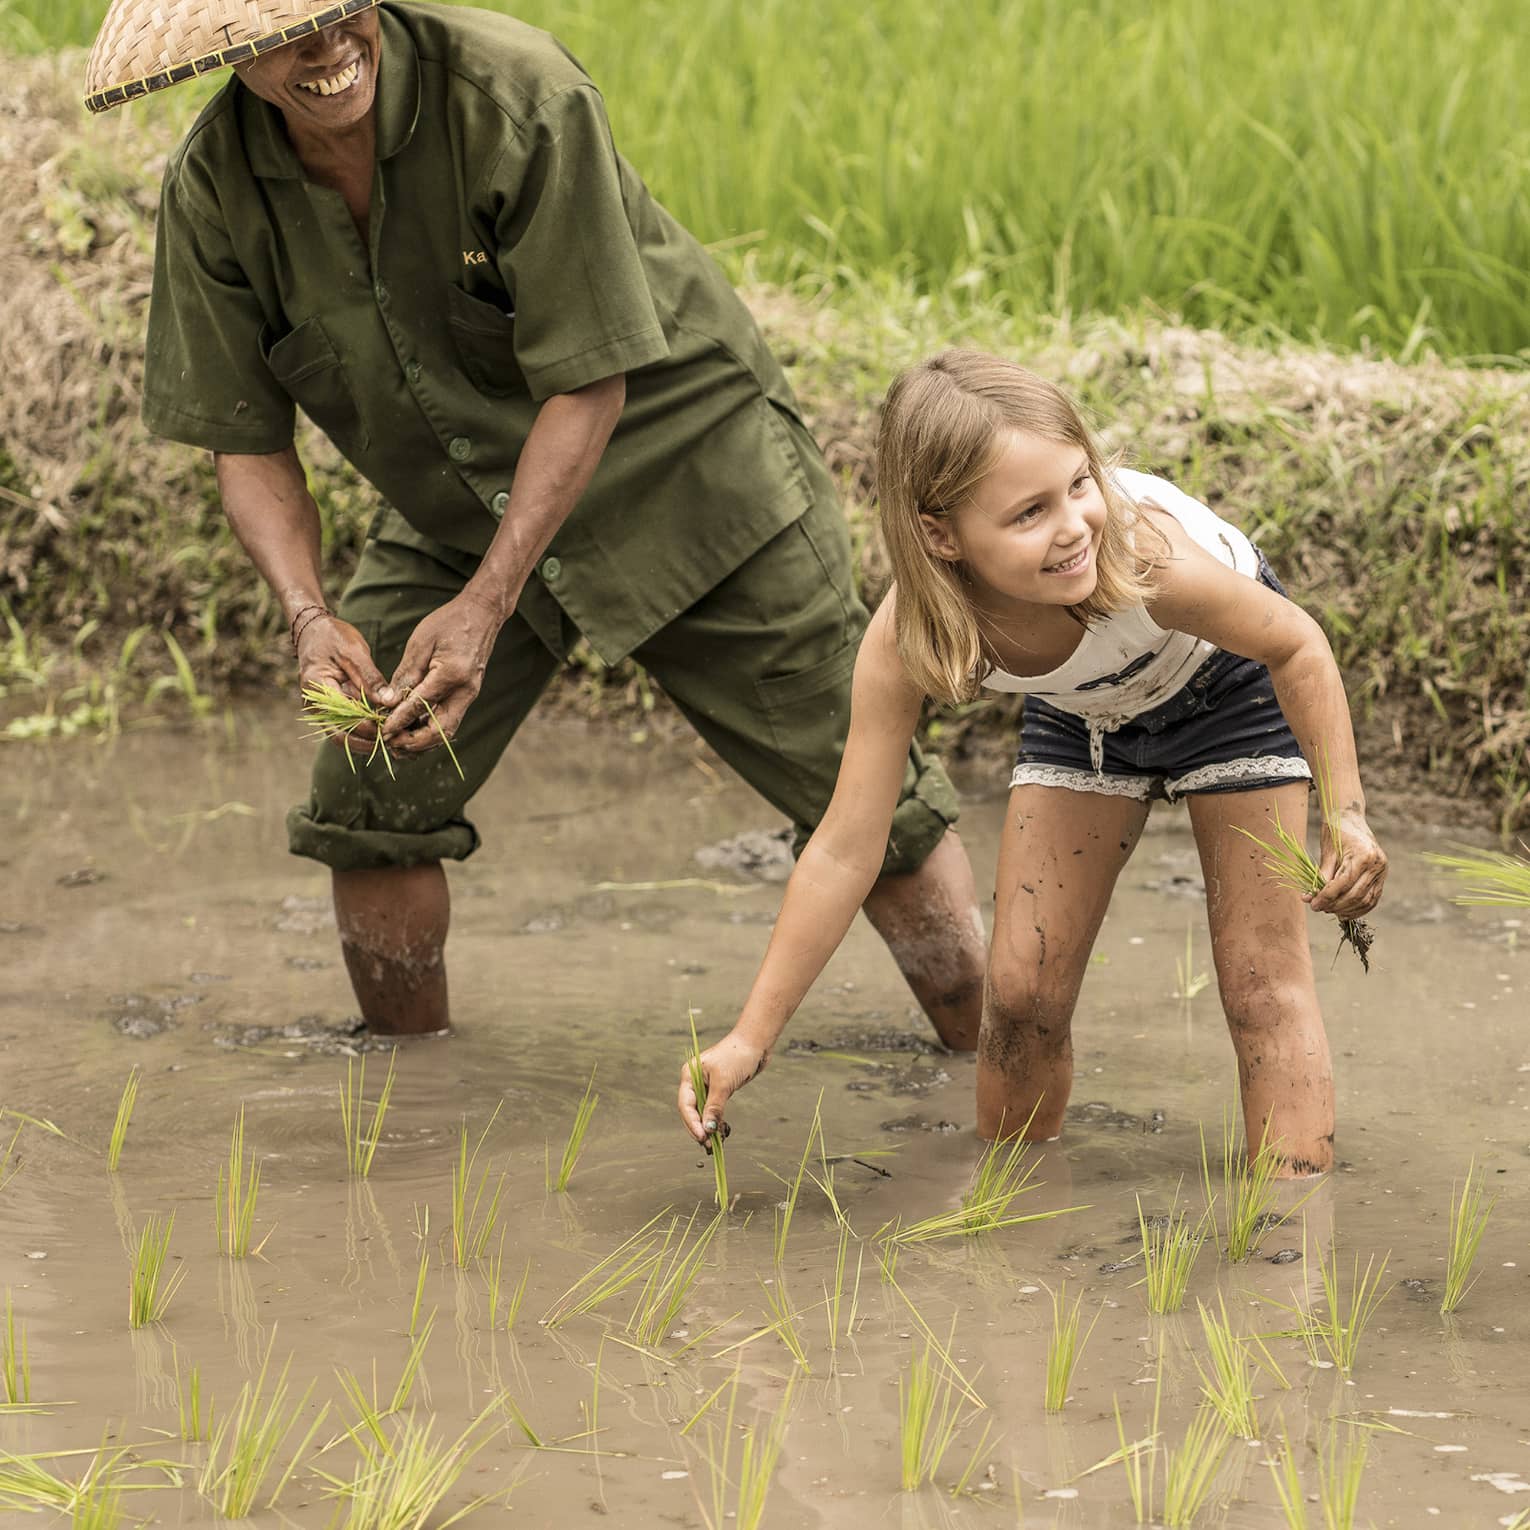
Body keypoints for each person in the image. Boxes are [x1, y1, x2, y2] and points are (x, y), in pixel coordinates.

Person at [83, 0, 987, 1043]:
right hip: (460, 503)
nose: (329, 47)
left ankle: (991, 1071)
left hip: (686, 471)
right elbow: (244, 442)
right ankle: (406, 1105)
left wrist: (487, 606)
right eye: (288, 34)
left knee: (862, 793)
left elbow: (592, 381)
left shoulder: (516, 94)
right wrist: (307, 615)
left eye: (345, 11)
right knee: (370, 791)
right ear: (226, 55)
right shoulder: (215, 190)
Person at [679, 350, 1388, 1176]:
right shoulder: (911, 634)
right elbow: (845, 845)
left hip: (1226, 680)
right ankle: (1010, 1212)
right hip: (1088, 711)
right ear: (940, 535)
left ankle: (1289, 1236)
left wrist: (1347, 815)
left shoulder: (1139, 552)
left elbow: (1296, 643)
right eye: (1028, 514)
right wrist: (747, 1040)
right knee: (1020, 999)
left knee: (1262, 988)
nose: (1073, 527)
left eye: (1079, 483)